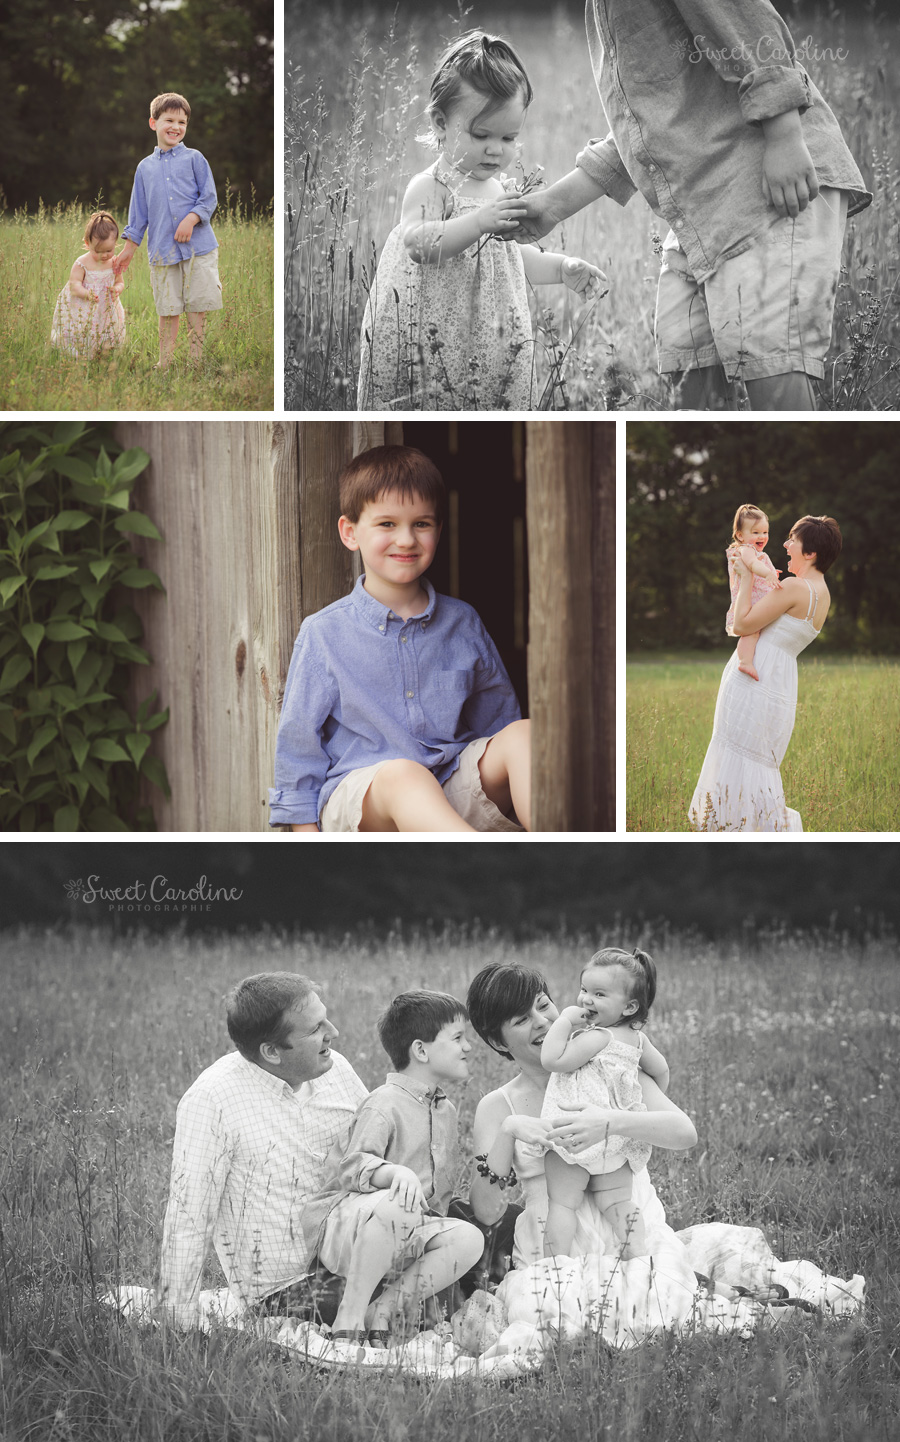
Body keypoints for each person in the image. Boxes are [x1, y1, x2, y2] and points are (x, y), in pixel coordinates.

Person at [515, 2, 870, 411]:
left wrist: (785, 133)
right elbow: (649, 130)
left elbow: (748, 19)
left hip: (765, 191)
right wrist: (552, 206)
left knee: (774, 377)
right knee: (686, 369)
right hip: (703, 213)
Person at [157, 972, 471, 1333]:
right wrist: (177, 1325)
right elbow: (188, 1218)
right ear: (272, 1051)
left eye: (326, 1018)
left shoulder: (334, 1069)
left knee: (474, 1241)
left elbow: (373, 1153)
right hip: (288, 1287)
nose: (333, 1033)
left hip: (361, 1253)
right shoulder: (212, 1100)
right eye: (314, 1028)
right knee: (435, 1304)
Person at [268, 445, 532, 833]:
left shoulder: (463, 623)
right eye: (387, 524)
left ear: (439, 530)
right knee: (404, 775)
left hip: (447, 793)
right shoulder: (324, 633)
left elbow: (497, 723)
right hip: (364, 801)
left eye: (421, 524)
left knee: (524, 734)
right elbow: (298, 748)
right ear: (350, 532)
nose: (406, 539)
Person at [357, 30, 606, 411]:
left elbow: (510, 260)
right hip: (431, 337)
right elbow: (417, 245)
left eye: (509, 137)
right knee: (433, 398)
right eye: (481, 134)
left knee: (488, 398)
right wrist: (477, 223)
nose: (495, 149)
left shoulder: (498, 190)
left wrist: (561, 268)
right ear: (441, 123)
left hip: (489, 339)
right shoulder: (432, 187)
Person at [466, 962, 696, 1269]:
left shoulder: (611, 1066)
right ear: (498, 1041)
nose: (542, 1022)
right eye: (522, 1019)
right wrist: (508, 1132)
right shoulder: (498, 1106)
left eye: (543, 1005)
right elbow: (486, 1212)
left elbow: (684, 1133)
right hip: (555, 1255)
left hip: (632, 1239)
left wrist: (609, 1122)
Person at [302, 991, 484, 1350]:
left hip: (405, 1231)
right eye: (459, 1038)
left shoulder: (445, 1113)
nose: (469, 1047)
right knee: (399, 1201)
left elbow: (437, 1198)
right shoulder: (384, 1103)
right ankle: (350, 1316)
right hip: (349, 1227)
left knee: (470, 1238)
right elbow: (352, 1167)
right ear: (421, 1050)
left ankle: (382, 1310)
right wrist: (395, 1173)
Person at [690, 514, 841, 831]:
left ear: (810, 553)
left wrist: (745, 576)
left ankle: (731, 832)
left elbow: (741, 624)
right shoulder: (823, 594)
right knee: (758, 762)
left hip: (753, 679)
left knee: (737, 756)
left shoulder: (793, 586)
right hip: (780, 682)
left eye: (793, 540)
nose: (785, 545)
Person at [541, 947, 670, 1260]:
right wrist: (643, 1099)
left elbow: (552, 1060)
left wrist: (564, 1023)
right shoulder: (638, 1040)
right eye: (584, 989)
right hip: (615, 1140)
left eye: (599, 994)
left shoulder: (597, 1037)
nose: (586, 1000)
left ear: (629, 1007)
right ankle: (636, 1252)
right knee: (617, 1203)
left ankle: (555, 1263)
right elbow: (661, 1070)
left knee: (562, 1204)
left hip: (578, 1133)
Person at [112, 92, 222, 369]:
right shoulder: (144, 168)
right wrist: (127, 250)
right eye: (169, 120)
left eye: (182, 122)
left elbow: (209, 198)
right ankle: (166, 362)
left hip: (199, 248)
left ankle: (196, 362)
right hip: (162, 250)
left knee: (197, 307)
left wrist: (192, 219)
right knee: (168, 308)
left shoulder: (195, 159)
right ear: (153, 123)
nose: (176, 127)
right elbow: (138, 214)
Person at [50, 211, 126, 359]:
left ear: (115, 243)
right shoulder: (82, 263)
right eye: (98, 251)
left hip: (107, 307)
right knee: (84, 329)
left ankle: (103, 353)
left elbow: (120, 282)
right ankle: (81, 354)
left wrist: (117, 289)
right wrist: (86, 293)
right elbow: (74, 285)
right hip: (84, 306)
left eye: (109, 250)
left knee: (106, 329)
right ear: (87, 243)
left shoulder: (114, 262)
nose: (104, 255)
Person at [726, 504, 783, 682]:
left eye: (765, 532)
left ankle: (751, 659)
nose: (762, 537)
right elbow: (752, 565)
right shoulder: (746, 550)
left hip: (757, 597)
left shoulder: (756, 552)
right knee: (751, 632)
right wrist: (767, 573)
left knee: (757, 631)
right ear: (740, 536)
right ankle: (745, 661)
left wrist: (771, 572)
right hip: (750, 600)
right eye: (756, 533)